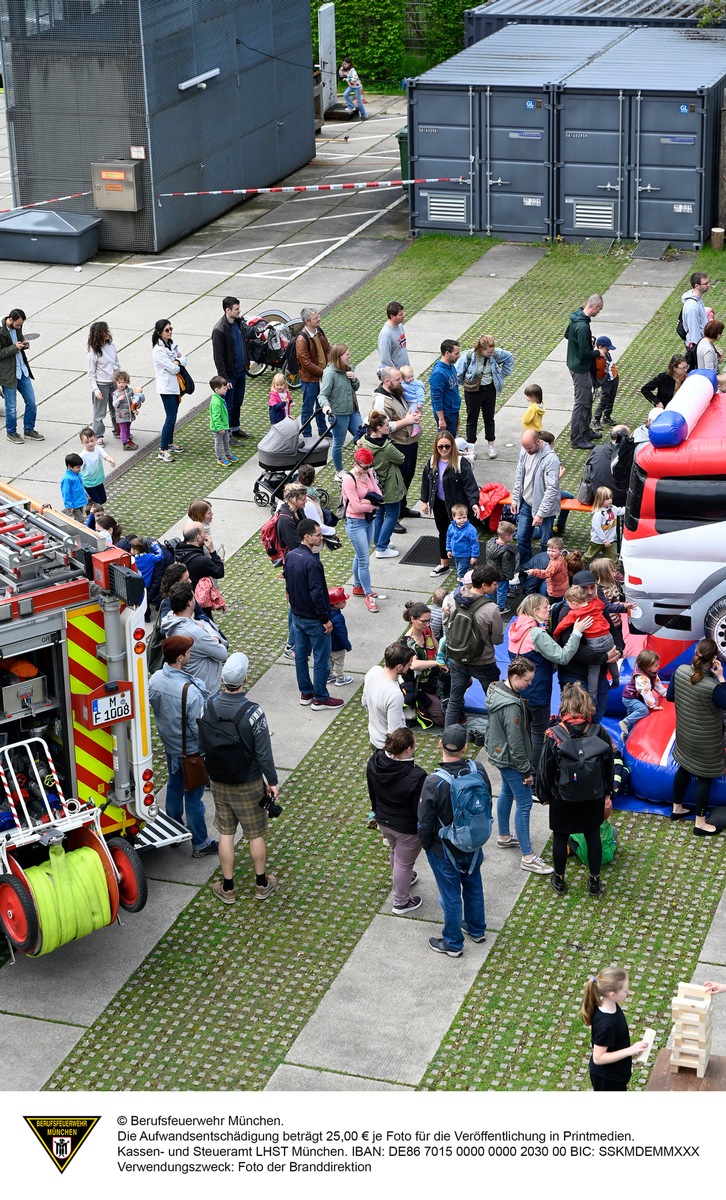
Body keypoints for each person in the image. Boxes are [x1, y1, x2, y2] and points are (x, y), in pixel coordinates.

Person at [202, 653, 279, 904]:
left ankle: (228, 888)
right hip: (248, 781)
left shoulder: (209, 705)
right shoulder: (254, 712)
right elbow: (264, 752)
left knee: (226, 833)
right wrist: (273, 781)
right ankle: (261, 884)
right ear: (245, 679)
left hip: (219, 780)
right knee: (255, 834)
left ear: (223, 679)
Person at [418, 725, 490, 956]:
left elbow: (425, 821)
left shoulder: (434, 782)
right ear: (465, 747)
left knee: (450, 894)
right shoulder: (477, 769)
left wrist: (426, 844)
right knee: (473, 885)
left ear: (440, 744)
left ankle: (452, 943)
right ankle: (477, 929)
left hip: (444, 848)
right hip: (473, 842)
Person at [538, 683, 614, 897]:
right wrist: (607, 792)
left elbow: (545, 768)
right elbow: (608, 765)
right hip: (593, 796)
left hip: (562, 797)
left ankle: (560, 881)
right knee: (593, 837)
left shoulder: (553, 734)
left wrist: (544, 795)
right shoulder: (599, 731)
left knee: (560, 838)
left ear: (565, 706)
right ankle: (595, 882)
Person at [148, 634, 217, 858]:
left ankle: (174, 830)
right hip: (192, 751)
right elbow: (199, 728)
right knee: (194, 798)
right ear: (180, 657)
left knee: (175, 786)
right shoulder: (191, 692)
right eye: (188, 652)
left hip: (171, 745)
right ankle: (201, 843)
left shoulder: (156, 679)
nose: (190, 654)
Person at [486, 657, 553, 875]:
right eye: (527, 680)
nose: (529, 685)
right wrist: (526, 771)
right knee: (524, 803)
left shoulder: (497, 690)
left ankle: (504, 836)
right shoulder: (512, 707)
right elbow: (516, 743)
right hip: (511, 759)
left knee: (506, 791)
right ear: (515, 677)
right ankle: (528, 857)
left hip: (498, 752)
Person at [508, 593, 591, 768]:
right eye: (546, 607)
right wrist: (576, 633)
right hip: (538, 692)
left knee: (527, 732)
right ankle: (536, 773)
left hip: (519, 691)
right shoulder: (536, 633)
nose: (549, 610)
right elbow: (562, 656)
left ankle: (524, 765)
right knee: (539, 733)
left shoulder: (516, 627)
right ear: (536, 610)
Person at [667, 638, 726, 835]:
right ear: (714, 659)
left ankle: (677, 808)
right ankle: (700, 823)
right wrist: (721, 677)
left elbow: (670, 697)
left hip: (684, 733)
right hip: (706, 741)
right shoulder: (713, 687)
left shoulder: (681, 671)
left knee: (684, 767)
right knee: (705, 776)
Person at [283, 518, 343, 711]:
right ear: (306, 537)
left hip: (297, 616)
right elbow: (317, 593)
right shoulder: (312, 562)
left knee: (301, 655)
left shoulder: (291, 556)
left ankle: (306, 692)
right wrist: (326, 619)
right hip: (314, 619)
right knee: (321, 657)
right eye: (317, 535)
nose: (321, 538)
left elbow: (288, 583)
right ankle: (320, 697)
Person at [367, 727, 427, 915]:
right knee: (404, 863)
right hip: (406, 828)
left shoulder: (375, 760)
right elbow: (419, 809)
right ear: (408, 749)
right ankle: (401, 902)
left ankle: (403, 878)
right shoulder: (416, 776)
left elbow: (371, 789)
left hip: (383, 819)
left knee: (395, 851)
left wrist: (375, 810)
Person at [553, 570, 620, 722]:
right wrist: (605, 657)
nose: (590, 592)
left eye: (592, 588)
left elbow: (614, 631)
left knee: (597, 715)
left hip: (600, 671)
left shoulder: (598, 607)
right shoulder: (568, 612)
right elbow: (575, 651)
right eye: (585, 588)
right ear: (575, 590)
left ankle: (592, 741)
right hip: (576, 676)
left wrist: (618, 651)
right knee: (576, 718)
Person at [443, 563, 502, 726]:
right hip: (483, 661)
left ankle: (448, 738)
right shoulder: (491, 609)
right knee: (494, 701)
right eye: (495, 584)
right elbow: (497, 639)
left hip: (457, 656)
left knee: (454, 699)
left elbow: (446, 623)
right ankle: (494, 737)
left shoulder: (453, 598)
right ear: (484, 585)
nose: (497, 587)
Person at [420, 430, 480, 577]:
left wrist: (473, 503)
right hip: (439, 504)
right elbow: (426, 482)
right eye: (441, 447)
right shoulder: (432, 461)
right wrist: (424, 500)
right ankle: (444, 563)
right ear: (436, 447)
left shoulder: (460, 462)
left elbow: (470, 485)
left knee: (464, 533)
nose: (444, 449)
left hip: (458, 506)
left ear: (452, 446)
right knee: (443, 533)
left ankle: (466, 565)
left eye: (447, 446)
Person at [582, 968, 648, 1091]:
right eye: (625, 990)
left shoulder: (603, 1002)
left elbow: (593, 1026)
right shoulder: (607, 1024)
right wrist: (631, 1050)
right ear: (612, 995)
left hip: (615, 1073)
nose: (628, 991)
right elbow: (598, 1058)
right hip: (608, 1079)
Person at [371, 366, 422, 522]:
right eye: (398, 380)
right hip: (398, 444)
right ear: (387, 381)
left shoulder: (396, 391)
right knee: (396, 482)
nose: (401, 382)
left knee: (408, 476)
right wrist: (406, 421)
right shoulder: (381, 400)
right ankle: (391, 516)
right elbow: (381, 426)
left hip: (410, 442)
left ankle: (402, 508)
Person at [161, 581, 228, 697]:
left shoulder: (170, 618)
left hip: (190, 684)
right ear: (188, 603)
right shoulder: (194, 632)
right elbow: (222, 654)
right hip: (206, 690)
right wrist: (213, 634)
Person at [510, 429, 561, 571]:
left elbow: (552, 489)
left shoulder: (551, 459)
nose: (527, 451)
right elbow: (519, 475)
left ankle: (545, 571)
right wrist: (515, 499)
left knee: (546, 543)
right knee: (521, 538)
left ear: (538, 441)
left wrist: (540, 513)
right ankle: (527, 569)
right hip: (526, 503)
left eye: (529, 448)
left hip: (545, 509)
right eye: (525, 448)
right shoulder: (524, 451)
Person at [456, 333, 514, 457]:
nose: (491, 354)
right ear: (481, 349)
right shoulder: (470, 356)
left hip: (489, 389)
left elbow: (509, 357)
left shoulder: (496, 353)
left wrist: (501, 375)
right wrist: (466, 383)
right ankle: (470, 445)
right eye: (488, 352)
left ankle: (491, 444)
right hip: (473, 391)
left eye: (492, 351)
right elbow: (458, 372)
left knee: (489, 417)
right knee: (472, 418)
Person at [341, 445, 383, 612]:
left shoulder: (369, 473)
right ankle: (368, 594)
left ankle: (358, 586)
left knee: (361, 555)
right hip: (355, 522)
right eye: (365, 467)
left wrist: (369, 503)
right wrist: (371, 505)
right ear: (356, 463)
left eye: (370, 466)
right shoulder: (349, 479)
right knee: (364, 560)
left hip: (368, 520)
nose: (368, 470)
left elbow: (378, 494)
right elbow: (356, 507)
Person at [360, 410, 406, 559]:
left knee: (379, 514)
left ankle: (379, 541)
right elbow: (401, 458)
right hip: (389, 485)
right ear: (379, 428)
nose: (389, 427)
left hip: (374, 486)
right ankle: (382, 546)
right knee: (392, 514)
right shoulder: (386, 447)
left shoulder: (364, 442)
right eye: (386, 425)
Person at [565, 293, 605, 449]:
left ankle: (585, 430)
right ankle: (576, 438)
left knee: (587, 399)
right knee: (581, 403)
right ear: (594, 306)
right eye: (599, 309)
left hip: (577, 365)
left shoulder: (576, 318)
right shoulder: (582, 326)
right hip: (580, 368)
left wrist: (583, 343)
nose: (598, 312)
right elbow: (584, 354)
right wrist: (597, 352)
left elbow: (567, 334)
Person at [0, 308, 45, 445]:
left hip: (22, 371)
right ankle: (11, 432)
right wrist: (15, 347)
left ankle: (29, 429)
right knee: (11, 407)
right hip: (9, 374)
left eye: (21, 325)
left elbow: (18, 343)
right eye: (18, 325)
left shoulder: (17, 328)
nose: (20, 327)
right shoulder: (1, 332)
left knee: (31, 402)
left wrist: (23, 345)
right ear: (10, 319)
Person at [319, 342, 362, 480]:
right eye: (347, 354)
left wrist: (354, 379)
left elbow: (355, 387)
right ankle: (339, 471)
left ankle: (362, 465)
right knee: (338, 442)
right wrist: (326, 406)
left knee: (363, 438)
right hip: (339, 414)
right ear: (339, 356)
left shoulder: (347, 369)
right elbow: (322, 394)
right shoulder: (330, 373)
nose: (349, 356)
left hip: (353, 410)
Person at [211, 296, 250, 441]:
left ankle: (235, 428)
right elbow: (218, 357)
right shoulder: (219, 330)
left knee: (238, 401)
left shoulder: (238, 323)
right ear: (228, 310)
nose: (239, 311)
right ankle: (227, 434)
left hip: (240, 371)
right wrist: (225, 379)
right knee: (228, 405)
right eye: (236, 309)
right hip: (230, 375)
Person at [362, 642, 413, 749]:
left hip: (374, 739)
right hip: (388, 748)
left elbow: (365, 702)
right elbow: (394, 732)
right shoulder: (394, 694)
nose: (410, 667)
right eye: (408, 665)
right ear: (399, 666)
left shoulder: (373, 672)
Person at [151, 318, 187, 463]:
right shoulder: (158, 350)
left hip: (175, 386)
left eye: (171, 329)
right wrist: (178, 363)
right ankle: (163, 449)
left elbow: (184, 358)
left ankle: (170, 443)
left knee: (173, 416)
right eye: (167, 330)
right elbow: (172, 369)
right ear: (160, 333)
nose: (170, 332)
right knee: (170, 417)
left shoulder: (172, 344)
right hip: (166, 388)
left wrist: (178, 361)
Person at [296, 307, 331, 439]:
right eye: (315, 318)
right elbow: (306, 363)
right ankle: (307, 434)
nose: (319, 319)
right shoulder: (301, 340)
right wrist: (324, 372)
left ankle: (323, 430)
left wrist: (327, 367)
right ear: (307, 322)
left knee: (321, 405)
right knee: (307, 408)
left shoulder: (319, 332)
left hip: (321, 376)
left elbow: (328, 349)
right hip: (309, 379)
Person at [620, 649, 667, 739]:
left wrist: (664, 693)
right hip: (630, 698)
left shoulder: (651, 672)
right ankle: (625, 722)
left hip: (634, 697)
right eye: (656, 665)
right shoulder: (642, 678)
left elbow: (657, 683)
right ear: (647, 667)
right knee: (644, 710)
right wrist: (652, 705)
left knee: (632, 717)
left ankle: (625, 735)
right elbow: (645, 691)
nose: (659, 666)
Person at [86, 320, 121, 442]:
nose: (107, 333)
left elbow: (116, 364)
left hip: (114, 383)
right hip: (101, 385)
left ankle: (118, 430)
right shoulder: (93, 352)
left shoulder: (111, 346)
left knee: (116, 408)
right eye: (104, 331)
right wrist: (96, 390)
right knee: (99, 413)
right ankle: (98, 435)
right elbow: (91, 374)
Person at [175, 523, 225, 591]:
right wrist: (212, 550)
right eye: (204, 532)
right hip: (199, 596)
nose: (206, 535)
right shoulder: (202, 560)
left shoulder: (178, 550)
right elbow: (219, 572)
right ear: (198, 537)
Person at [485, 520, 519, 614]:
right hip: (501, 577)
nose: (512, 537)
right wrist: (510, 576)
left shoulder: (490, 543)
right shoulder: (505, 552)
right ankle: (500, 608)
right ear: (507, 537)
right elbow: (506, 567)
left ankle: (488, 604)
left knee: (490, 589)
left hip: (490, 573)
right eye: (512, 535)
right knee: (502, 591)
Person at [430, 339, 462, 436]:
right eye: (456, 353)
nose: (459, 356)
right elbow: (436, 398)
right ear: (447, 353)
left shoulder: (451, 366)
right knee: (447, 441)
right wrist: (441, 419)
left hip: (453, 411)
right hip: (446, 414)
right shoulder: (438, 373)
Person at [680, 271, 712, 367]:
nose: (708, 285)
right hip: (697, 346)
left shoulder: (696, 299)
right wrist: (705, 346)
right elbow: (694, 333)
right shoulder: (692, 306)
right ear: (697, 285)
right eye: (705, 284)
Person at [586, 485, 624, 564]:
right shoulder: (598, 514)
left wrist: (630, 508)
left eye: (611, 498)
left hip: (609, 541)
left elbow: (621, 511)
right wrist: (604, 540)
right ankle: (576, 567)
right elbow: (597, 529)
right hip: (597, 541)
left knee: (613, 558)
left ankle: (615, 572)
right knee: (588, 557)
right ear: (600, 500)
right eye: (607, 499)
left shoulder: (613, 508)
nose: (610, 500)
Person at [79, 426, 115, 505]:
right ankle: (94, 514)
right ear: (82, 443)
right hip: (89, 483)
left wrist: (111, 460)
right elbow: (79, 469)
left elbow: (105, 455)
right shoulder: (83, 455)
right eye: (87, 442)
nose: (90, 444)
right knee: (98, 501)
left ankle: (90, 504)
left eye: (92, 441)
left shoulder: (98, 449)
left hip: (99, 480)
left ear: (95, 439)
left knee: (103, 499)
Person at [446, 501, 480, 583]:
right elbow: (449, 538)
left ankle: (462, 586)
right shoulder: (451, 527)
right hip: (456, 554)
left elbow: (475, 544)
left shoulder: (471, 530)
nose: (462, 520)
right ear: (453, 517)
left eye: (464, 517)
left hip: (465, 555)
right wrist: (449, 549)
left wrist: (474, 556)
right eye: (459, 518)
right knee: (459, 568)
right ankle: (466, 580)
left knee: (461, 572)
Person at [209, 374, 238, 467]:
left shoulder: (220, 398)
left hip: (224, 425)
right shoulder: (216, 402)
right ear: (216, 390)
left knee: (226, 440)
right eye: (224, 388)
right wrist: (220, 427)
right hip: (219, 427)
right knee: (218, 443)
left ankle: (228, 455)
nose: (226, 390)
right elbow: (215, 416)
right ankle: (220, 458)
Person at [111, 369, 144, 451]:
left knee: (128, 427)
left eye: (123, 382)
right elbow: (114, 405)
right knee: (123, 429)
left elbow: (133, 400)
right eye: (119, 382)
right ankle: (125, 443)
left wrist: (137, 404)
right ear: (116, 383)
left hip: (129, 414)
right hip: (121, 415)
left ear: (127, 382)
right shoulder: (116, 393)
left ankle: (128, 439)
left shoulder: (129, 391)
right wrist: (119, 399)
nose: (121, 384)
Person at [592, 336, 619, 432]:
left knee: (611, 398)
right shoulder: (596, 357)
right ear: (600, 347)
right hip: (605, 380)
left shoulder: (606, 354)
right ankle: (596, 419)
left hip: (613, 377)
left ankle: (607, 416)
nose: (608, 350)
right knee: (604, 400)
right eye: (606, 348)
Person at [328, 587, 353, 686]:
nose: (345, 603)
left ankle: (328, 676)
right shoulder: (338, 618)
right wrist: (347, 645)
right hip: (337, 647)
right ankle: (340, 678)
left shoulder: (325, 614)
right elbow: (341, 634)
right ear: (336, 604)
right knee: (339, 663)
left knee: (329, 662)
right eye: (343, 601)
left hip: (328, 645)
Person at [378, 301, 409, 370]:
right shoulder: (386, 334)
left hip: (405, 372)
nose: (403, 315)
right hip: (397, 376)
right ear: (392, 316)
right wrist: (396, 373)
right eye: (400, 314)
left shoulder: (400, 326)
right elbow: (385, 359)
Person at [60, 453, 87, 521]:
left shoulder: (77, 474)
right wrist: (69, 506)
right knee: (80, 520)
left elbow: (81, 486)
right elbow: (66, 493)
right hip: (74, 504)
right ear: (69, 466)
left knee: (78, 519)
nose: (80, 469)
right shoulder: (67, 479)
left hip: (80, 501)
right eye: (78, 467)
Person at [399, 365, 423, 438]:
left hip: (414, 402)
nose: (411, 379)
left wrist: (420, 403)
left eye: (412, 376)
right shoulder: (403, 384)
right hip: (408, 402)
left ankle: (416, 427)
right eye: (408, 378)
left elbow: (420, 394)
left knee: (413, 414)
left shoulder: (416, 384)